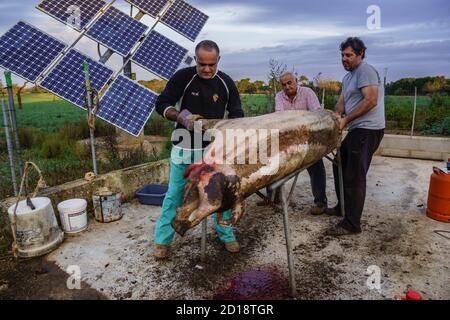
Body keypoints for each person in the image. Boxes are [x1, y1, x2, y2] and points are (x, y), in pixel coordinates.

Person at [152, 40, 244, 259]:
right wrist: (179, 116)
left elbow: (237, 113)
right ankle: (162, 240)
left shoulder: (226, 83)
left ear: (218, 61)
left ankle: (226, 234)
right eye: (202, 64)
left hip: (213, 151)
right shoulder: (183, 78)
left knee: (220, 195)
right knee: (175, 195)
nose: (206, 69)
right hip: (183, 146)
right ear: (196, 60)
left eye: (211, 64)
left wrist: (230, 135)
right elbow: (161, 103)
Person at [325, 37, 385, 236]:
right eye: (342, 55)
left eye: (349, 55)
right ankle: (343, 207)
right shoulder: (348, 77)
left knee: (354, 175)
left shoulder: (365, 71)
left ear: (361, 55)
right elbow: (342, 103)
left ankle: (352, 223)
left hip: (367, 130)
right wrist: (334, 117)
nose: (344, 58)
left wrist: (346, 120)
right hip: (356, 129)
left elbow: (371, 100)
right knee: (338, 164)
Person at [258, 72, 328, 215]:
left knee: (316, 166)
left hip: (308, 136)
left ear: (296, 81)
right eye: (284, 84)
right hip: (288, 137)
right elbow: (279, 118)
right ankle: (272, 197)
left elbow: (316, 115)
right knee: (270, 159)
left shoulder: (308, 93)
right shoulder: (279, 96)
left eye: (290, 82)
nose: (287, 86)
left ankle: (320, 202)